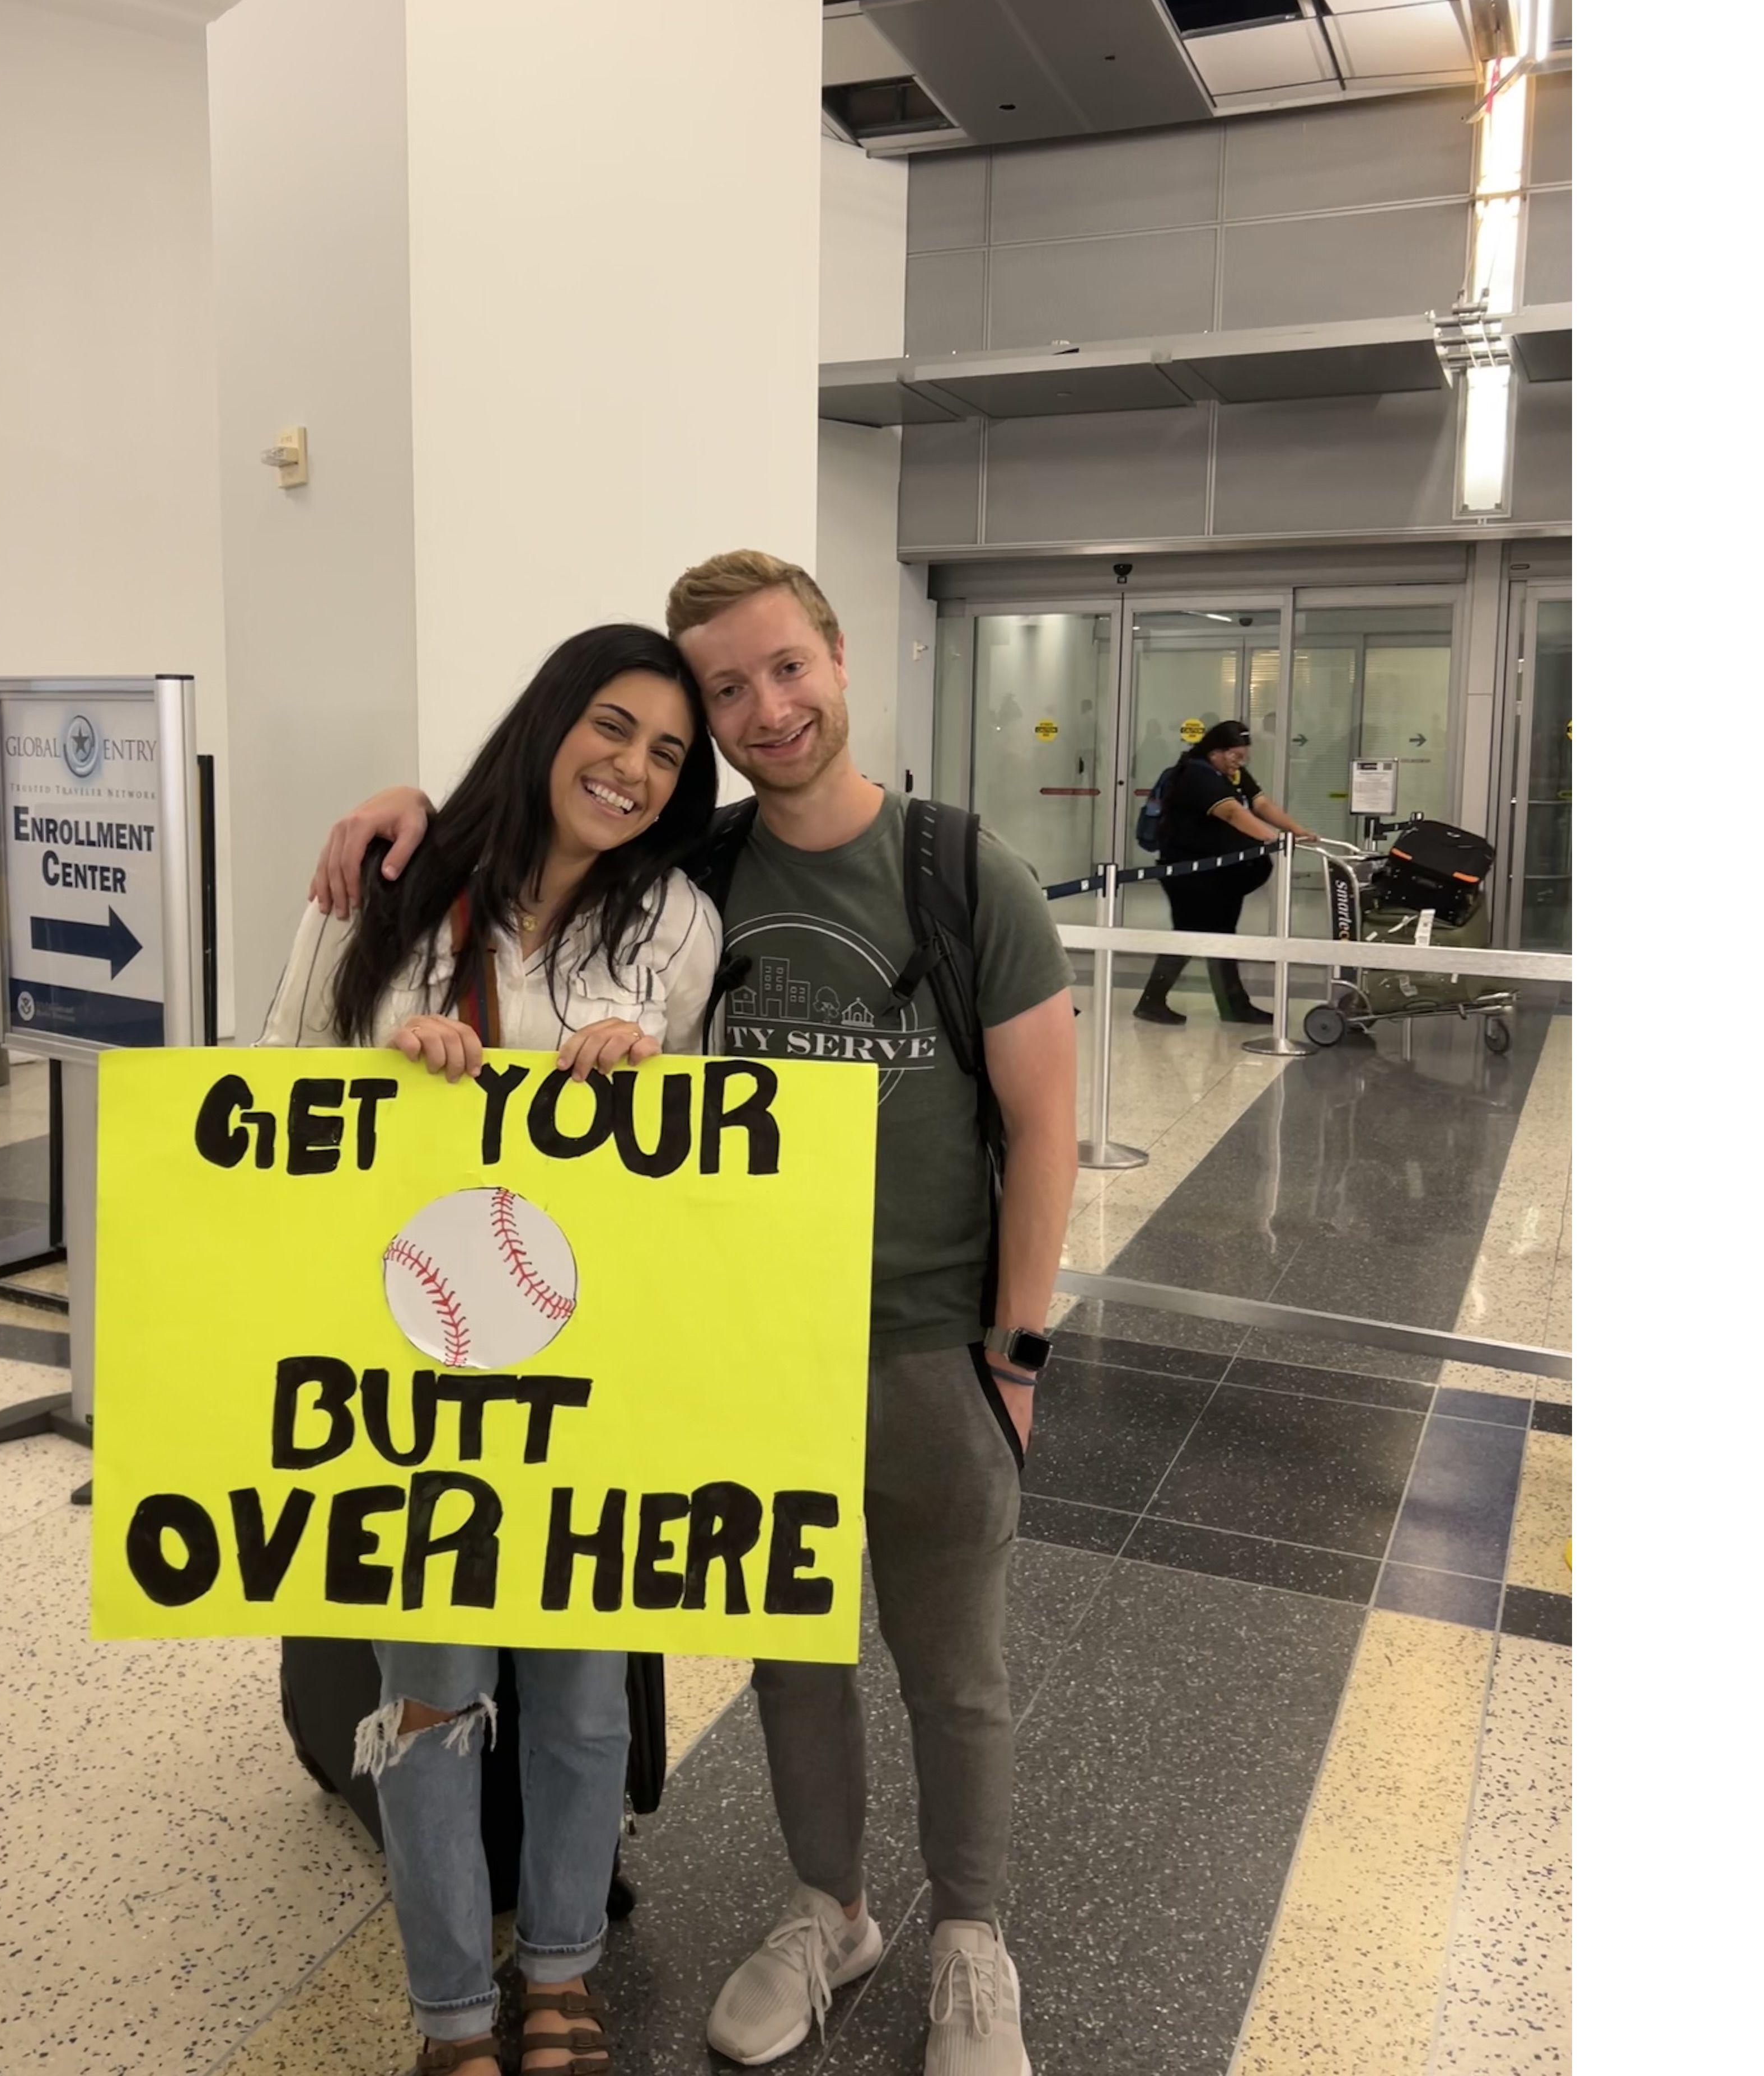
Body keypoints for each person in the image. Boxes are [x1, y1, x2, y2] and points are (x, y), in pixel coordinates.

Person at [309, 552, 1080, 2076]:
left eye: (782, 670)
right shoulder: (696, 875)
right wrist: (398, 810)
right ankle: (831, 1912)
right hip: (752, 1342)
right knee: (794, 1649)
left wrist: (1020, 1347)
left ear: (842, 660)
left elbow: (1046, 1119)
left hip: (931, 1338)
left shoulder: (957, 863)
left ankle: (974, 1942)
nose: (759, 709)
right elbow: (557, 861)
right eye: (722, 692)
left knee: (957, 1663)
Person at [261, 623, 723, 2076]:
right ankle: (455, 2010)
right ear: (546, 722)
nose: (634, 770)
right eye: (611, 727)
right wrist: (398, 1081)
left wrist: (638, 1075)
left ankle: (565, 1975)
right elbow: (277, 1099)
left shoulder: (674, 929)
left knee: (585, 1699)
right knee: (433, 1702)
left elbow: (692, 1156)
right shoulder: (383, 893)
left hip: (584, 1384)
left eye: (666, 753)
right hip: (408, 1382)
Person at [1133, 717, 1315, 1028]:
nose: (1239, 763)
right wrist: (1274, 840)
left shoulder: (1229, 773)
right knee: (1192, 933)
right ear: (1215, 751)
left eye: (1243, 757)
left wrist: (1299, 831)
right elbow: (1232, 812)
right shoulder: (1197, 775)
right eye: (1235, 756)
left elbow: (1260, 804)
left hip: (1218, 875)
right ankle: (1154, 1001)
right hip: (1189, 873)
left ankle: (1233, 1005)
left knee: (1219, 935)